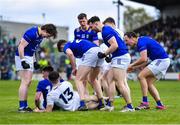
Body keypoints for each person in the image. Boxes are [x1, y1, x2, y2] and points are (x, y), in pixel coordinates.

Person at [88, 16, 134, 112]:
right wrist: (111, 56)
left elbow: (115, 45)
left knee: (120, 83)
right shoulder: (106, 29)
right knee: (108, 78)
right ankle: (110, 104)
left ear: (95, 24)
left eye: (91, 27)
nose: (91, 30)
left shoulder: (105, 31)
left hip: (121, 57)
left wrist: (104, 54)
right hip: (119, 56)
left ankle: (130, 106)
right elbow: (117, 45)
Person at [15, 24, 57, 112]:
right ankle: (22, 107)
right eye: (48, 35)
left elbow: (32, 49)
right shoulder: (32, 33)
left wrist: (34, 62)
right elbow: (21, 46)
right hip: (22, 56)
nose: (47, 37)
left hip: (29, 56)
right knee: (25, 81)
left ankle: (24, 106)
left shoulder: (40, 36)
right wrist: (23, 60)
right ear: (45, 30)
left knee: (28, 82)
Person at [124, 32, 170, 110]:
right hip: (162, 61)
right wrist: (134, 67)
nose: (126, 43)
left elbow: (144, 59)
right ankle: (160, 104)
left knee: (141, 76)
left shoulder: (140, 43)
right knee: (148, 83)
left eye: (126, 40)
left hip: (161, 61)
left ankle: (145, 103)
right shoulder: (142, 40)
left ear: (132, 37)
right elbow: (145, 61)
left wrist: (131, 65)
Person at [57, 39, 105, 111]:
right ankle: (101, 102)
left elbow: (70, 54)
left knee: (78, 79)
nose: (64, 52)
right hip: (99, 51)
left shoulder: (66, 46)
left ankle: (82, 104)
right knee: (93, 79)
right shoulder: (75, 43)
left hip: (90, 52)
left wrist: (74, 68)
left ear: (61, 46)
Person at [34, 71, 99, 112]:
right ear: (59, 77)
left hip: (71, 106)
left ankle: (99, 105)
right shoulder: (67, 83)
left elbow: (48, 110)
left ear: (49, 80)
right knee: (88, 97)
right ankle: (102, 101)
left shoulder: (50, 95)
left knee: (88, 105)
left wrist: (39, 111)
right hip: (77, 97)